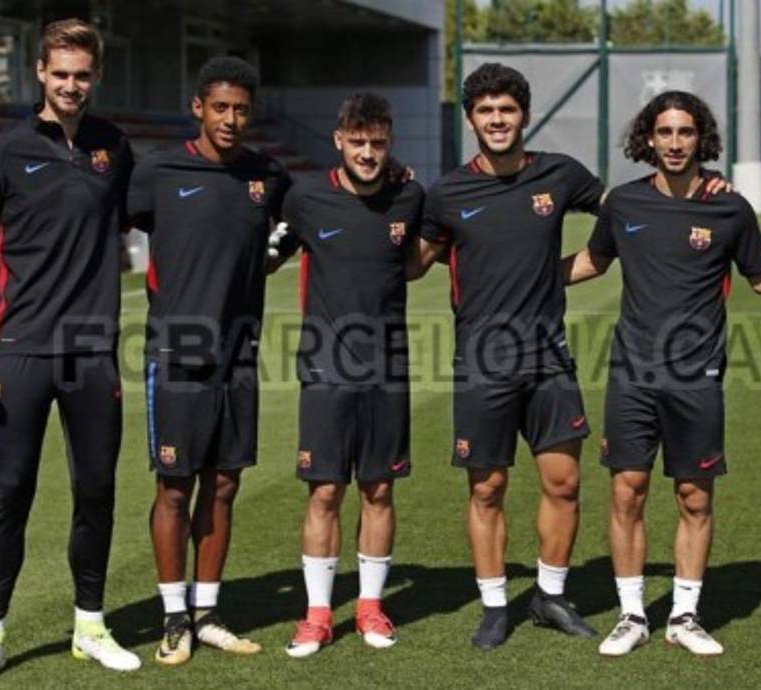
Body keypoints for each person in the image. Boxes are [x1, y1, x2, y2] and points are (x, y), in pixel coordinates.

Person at [0, 18, 139, 684]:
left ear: (96, 76)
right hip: (20, 351)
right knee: (10, 493)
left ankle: (91, 625)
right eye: (60, 74)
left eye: (82, 75)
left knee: (97, 491)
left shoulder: (115, 148)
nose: (71, 86)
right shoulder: (4, 151)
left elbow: (155, 213)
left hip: (93, 352)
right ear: (39, 72)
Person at [564, 91, 761, 658]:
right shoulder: (625, 204)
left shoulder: (729, 208)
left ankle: (684, 616)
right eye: (664, 132)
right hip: (632, 374)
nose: (674, 142)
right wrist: (520, 274)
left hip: (696, 376)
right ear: (649, 138)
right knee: (627, 491)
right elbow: (592, 261)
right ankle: (632, 615)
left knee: (694, 496)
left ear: (700, 138)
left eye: (685, 132)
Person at [411, 62, 603, 650]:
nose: (497, 120)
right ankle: (495, 606)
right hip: (482, 361)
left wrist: (562, 272)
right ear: (471, 120)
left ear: (525, 115)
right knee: (487, 487)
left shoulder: (560, 175)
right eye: (486, 111)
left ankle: (549, 595)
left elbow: (628, 214)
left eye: (507, 110)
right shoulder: (447, 193)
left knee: (564, 482)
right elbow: (414, 262)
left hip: (549, 359)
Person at [126, 56, 290, 666]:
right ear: (198, 107)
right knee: (175, 487)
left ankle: (207, 612)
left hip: (240, 354)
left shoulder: (267, 176)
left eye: (241, 109)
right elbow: (101, 221)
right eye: (220, 107)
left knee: (224, 484)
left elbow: (302, 221)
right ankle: (173, 617)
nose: (230, 119)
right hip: (177, 354)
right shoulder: (158, 172)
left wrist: (267, 259)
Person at [269, 92, 425, 658]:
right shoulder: (306, 198)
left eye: (377, 143)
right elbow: (268, 254)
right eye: (357, 142)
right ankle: (316, 615)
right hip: (325, 367)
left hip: (388, 368)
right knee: (326, 490)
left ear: (389, 143)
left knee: (379, 487)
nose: (367, 152)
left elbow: (418, 260)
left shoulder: (409, 196)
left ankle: (369, 607)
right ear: (338, 140)